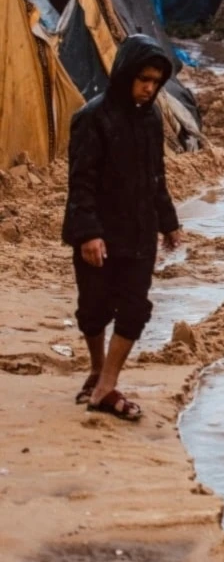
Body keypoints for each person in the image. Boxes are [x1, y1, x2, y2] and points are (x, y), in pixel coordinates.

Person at [62, 34, 183, 421]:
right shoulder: (91, 119)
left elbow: (155, 177)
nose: (149, 88)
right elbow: (80, 182)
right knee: (94, 308)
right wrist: (88, 233)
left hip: (140, 231)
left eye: (155, 81)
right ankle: (98, 370)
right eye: (143, 79)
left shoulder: (150, 119)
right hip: (100, 233)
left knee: (135, 308)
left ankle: (105, 385)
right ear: (126, 73)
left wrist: (169, 222)